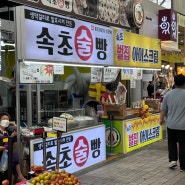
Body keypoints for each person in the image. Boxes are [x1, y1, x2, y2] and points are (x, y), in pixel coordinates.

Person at [160, 74, 185, 172]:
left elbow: (163, 110)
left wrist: (161, 119)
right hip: (183, 126)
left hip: (171, 125)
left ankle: (173, 160)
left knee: (171, 143)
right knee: (183, 145)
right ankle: (183, 166)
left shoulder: (168, 94)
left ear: (175, 82)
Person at [0, 112, 26, 183]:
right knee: (13, 156)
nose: (6, 120)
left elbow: (21, 132)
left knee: (14, 155)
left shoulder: (7, 130)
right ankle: (20, 176)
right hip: (2, 154)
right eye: (4, 119)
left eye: (7, 119)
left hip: (8, 153)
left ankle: (19, 176)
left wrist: (14, 125)